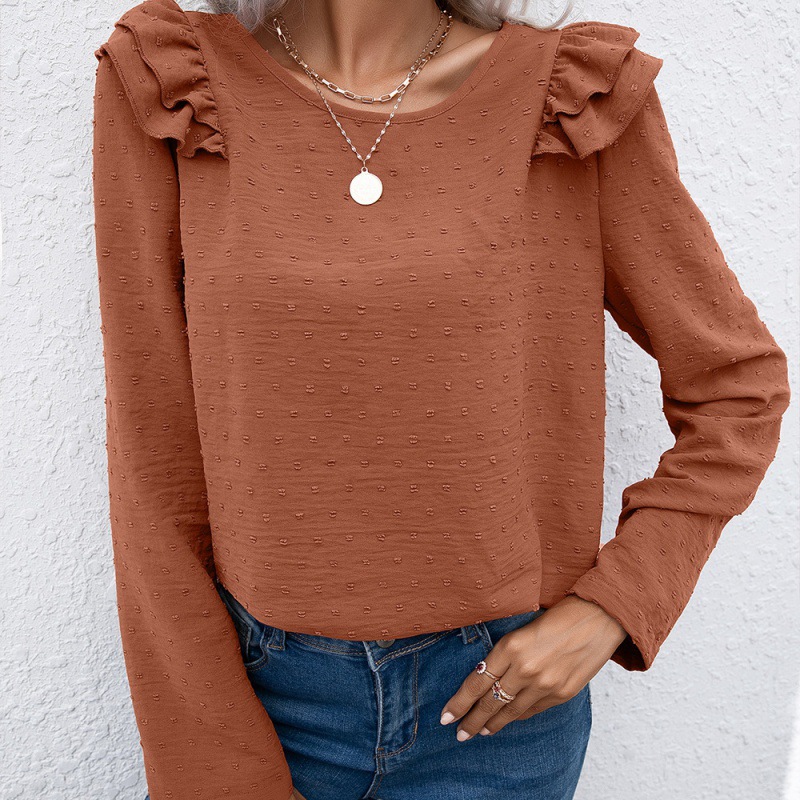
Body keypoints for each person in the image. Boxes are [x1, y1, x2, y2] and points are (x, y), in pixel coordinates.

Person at [90, 0, 791, 798]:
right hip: (263, 695)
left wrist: (615, 605)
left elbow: (737, 386)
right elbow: (152, 460)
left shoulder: (568, 101)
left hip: (498, 714)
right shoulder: (175, 90)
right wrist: (209, 757)